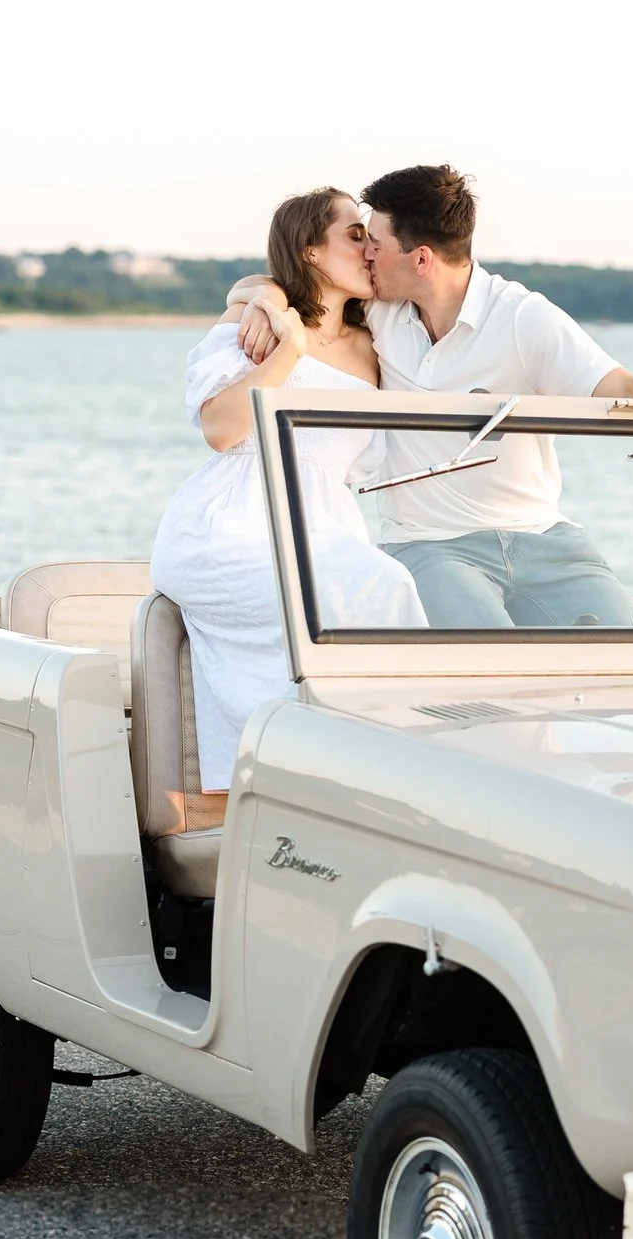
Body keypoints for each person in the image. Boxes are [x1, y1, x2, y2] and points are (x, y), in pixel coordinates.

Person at [230, 164, 633, 628]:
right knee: (488, 661)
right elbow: (284, 285)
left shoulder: (522, 317)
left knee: (629, 654)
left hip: (544, 537)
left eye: (376, 245)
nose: (367, 255)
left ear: (421, 258)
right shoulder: (379, 311)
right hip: (429, 545)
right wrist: (264, 300)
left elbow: (617, 386)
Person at [150, 187, 425, 791]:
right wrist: (288, 346)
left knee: (388, 585)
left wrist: (261, 291)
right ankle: (302, 770)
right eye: (354, 234)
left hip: (324, 528)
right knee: (324, 602)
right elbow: (221, 430)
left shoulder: (375, 340)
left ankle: (379, 773)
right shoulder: (255, 326)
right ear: (310, 251)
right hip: (229, 524)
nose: (369, 246)